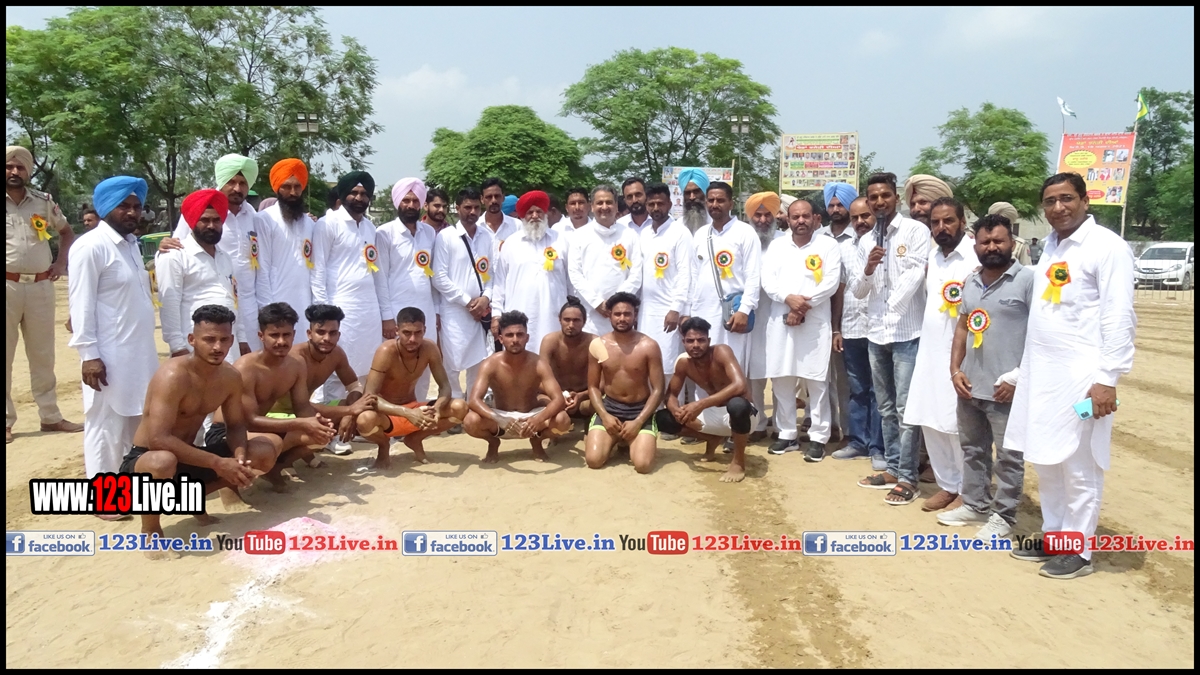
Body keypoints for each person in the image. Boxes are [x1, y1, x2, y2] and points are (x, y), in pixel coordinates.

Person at [1004, 172, 1136, 580]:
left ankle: (1079, 550)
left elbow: (1119, 316)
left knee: (1079, 465)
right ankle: (1055, 535)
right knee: (1047, 459)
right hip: (1043, 377)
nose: (1058, 207)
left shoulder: (1107, 247)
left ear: (1084, 201)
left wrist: (1107, 379)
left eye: (1066, 199)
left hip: (1083, 380)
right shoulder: (1051, 247)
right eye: (1050, 201)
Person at [118, 305, 278, 558]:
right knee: (162, 461)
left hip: (188, 456)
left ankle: (190, 500)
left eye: (223, 340)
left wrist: (238, 460)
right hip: (145, 461)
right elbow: (158, 439)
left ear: (231, 340)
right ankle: (151, 531)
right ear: (192, 340)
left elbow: (236, 425)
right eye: (209, 339)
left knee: (263, 450)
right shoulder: (173, 375)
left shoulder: (230, 377)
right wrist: (218, 463)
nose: (217, 347)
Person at [940, 214, 1034, 539]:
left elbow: (1040, 335)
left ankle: (1004, 516)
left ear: (1012, 243)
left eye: (998, 241)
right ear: (976, 245)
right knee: (973, 449)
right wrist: (955, 370)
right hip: (970, 386)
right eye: (985, 242)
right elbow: (962, 328)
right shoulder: (970, 282)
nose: (992, 247)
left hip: (1006, 388)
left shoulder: (1028, 281)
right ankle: (975, 504)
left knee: (1008, 457)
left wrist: (1017, 377)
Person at [68, 176, 159, 486]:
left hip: (139, 354)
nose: (132, 212)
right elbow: (81, 304)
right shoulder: (90, 246)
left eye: (137, 206)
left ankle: (132, 489)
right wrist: (89, 355)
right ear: (106, 207)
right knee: (105, 428)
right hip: (108, 357)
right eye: (124, 206)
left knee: (137, 424)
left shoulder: (131, 245)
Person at [852, 172, 930, 505]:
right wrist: (869, 268)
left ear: (896, 198)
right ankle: (894, 468)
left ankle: (909, 477)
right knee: (885, 407)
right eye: (873, 197)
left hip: (907, 332)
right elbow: (857, 291)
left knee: (905, 408)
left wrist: (892, 309)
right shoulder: (865, 241)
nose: (879, 202)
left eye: (885, 195)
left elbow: (915, 274)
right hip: (876, 333)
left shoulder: (915, 231)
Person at [904, 197, 979, 511]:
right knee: (930, 419)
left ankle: (968, 489)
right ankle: (947, 485)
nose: (941, 227)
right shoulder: (934, 257)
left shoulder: (974, 256)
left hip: (963, 354)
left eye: (948, 221)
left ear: (962, 222)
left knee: (958, 423)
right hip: (930, 350)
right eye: (935, 222)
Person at [212, 302, 336, 491]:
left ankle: (273, 468)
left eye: (286, 335)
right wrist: (302, 423)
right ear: (261, 336)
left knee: (319, 434)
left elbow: (302, 407)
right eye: (274, 335)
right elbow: (249, 420)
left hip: (260, 428)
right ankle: (227, 488)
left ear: (294, 334)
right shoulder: (246, 368)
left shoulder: (296, 364)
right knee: (270, 446)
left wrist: (318, 425)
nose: (281, 341)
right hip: (227, 431)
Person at [6, 145, 82, 444]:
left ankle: (50, 416)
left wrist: (60, 263)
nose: (14, 172)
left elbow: (66, 232)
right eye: (9, 166)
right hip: (7, 286)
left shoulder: (43, 202)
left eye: (20, 167)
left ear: (28, 171)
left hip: (40, 287)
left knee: (43, 355)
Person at [762, 199, 842, 460]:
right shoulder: (777, 246)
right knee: (782, 378)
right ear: (788, 219)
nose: (800, 221)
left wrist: (802, 307)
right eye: (795, 217)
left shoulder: (827, 245)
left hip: (814, 323)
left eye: (805, 216)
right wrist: (787, 299)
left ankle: (818, 436)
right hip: (781, 321)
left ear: (815, 218)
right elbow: (768, 281)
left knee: (816, 380)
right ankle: (787, 434)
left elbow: (831, 283)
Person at [163, 154, 266, 351]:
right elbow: (178, 245)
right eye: (232, 182)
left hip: (246, 307)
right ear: (221, 181)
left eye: (243, 183)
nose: (237, 188)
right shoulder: (202, 209)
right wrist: (165, 244)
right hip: (205, 305)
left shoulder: (253, 215)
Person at [354, 307, 467, 468]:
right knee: (364, 419)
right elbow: (369, 396)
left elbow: (445, 387)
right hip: (387, 415)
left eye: (418, 333)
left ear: (424, 330)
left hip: (413, 409)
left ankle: (415, 439)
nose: (412, 339)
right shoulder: (386, 351)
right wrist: (407, 413)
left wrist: (437, 408)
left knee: (460, 407)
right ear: (397, 331)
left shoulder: (429, 348)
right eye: (407, 333)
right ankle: (384, 445)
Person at [311, 171, 389, 402]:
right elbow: (318, 270)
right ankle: (335, 421)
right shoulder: (327, 224)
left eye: (364, 194)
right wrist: (322, 313)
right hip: (340, 308)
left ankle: (358, 418)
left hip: (368, 311)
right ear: (343, 194)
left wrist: (386, 315)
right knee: (336, 370)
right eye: (354, 192)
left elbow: (378, 275)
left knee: (366, 369)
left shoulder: (370, 228)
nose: (359, 198)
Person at [655, 317, 755, 482]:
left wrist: (700, 404)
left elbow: (740, 385)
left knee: (737, 404)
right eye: (690, 341)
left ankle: (738, 463)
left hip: (745, 415)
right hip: (715, 413)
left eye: (701, 340)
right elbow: (671, 396)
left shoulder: (721, 351)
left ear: (708, 340)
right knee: (662, 418)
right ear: (683, 342)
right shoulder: (684, 363)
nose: (695, 345)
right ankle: (712, 438)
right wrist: (676, 411)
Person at [464, 310, 571, 462]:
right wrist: (499, 418)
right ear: (501, 339)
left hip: (531, 417)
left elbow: (558, 399)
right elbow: (474, 400)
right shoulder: (490, 364)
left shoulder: (538, 363)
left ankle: (537, 441)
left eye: (520, 335)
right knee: (470, 421)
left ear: (527, 338)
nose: (515, 340)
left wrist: (538, 420)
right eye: (509, 335)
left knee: (563, 420)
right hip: (500, 419)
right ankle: (493, 442)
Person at [158, 189, 247, 363]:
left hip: (228, 345)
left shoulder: (225, 257)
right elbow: (169, 304)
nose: (211, 226)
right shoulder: (175, 255)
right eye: (205, 220)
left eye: (216, 220)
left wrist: (242, 339)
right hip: (193, 346)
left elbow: (235, 299)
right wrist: (177, 347)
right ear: (192, 221)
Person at [830, 197, 886, 468]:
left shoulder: (884, 245)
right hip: (852, 328)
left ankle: (878, 448)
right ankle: (858, 442)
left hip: (880, 329)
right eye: (855, 218)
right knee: (857, 389)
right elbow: (840, 291)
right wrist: (836, 328)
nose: (860, 221)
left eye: (865, 216)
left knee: (879, 391)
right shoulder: (844, 249)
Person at [584, 292, 664, 473]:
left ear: (635, 316)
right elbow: (593, 387)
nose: (622, 318)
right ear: (609, 315)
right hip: (610, 408)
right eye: (617, 314)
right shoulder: (599, 345)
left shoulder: (648, 346)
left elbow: (658, 389)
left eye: (627, 314)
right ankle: (616, 439)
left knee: (643, 465)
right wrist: (604, 415)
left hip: (639, 410)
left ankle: (632, 439)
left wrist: (639, 421)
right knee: (594, 460)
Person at [689, 175, 761, 366]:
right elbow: (693, 277)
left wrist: (744, 310)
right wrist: (689, 311)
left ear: (731, 203)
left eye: (720, 200)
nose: (715, 205)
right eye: (711, 200)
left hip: (733, 314)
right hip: (703, 312)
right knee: (704, 369)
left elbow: (753, 276)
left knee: (732, 368)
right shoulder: (701, 234)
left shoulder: (745, 232)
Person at [376, 178, 438, 400]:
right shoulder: (384, 233)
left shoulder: (429, 233)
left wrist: (436, 311)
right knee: (394, 367)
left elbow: (432, 275)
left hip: (425, 309)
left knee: (423, 363)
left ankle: (418, 411)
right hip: (396, 311)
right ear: (397, 202)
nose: (411, 205)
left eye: (415, 201)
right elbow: (380, 277)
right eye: (406, 200)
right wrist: (387, 317)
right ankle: (391, 417)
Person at [431, 188, 494, 400]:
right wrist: (468, 302)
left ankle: (473, 404)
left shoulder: (486, 236)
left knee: (478, 361)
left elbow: (491, 274)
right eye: (467, 207)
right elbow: (439, 278)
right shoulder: (446, 237)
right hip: (455, 312)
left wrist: (485, 298)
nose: (472, 212)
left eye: (476, 207)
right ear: (457, 208)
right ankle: (455, 405)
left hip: (480, 313)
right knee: (452, 363)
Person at [289, 304, 376, 454]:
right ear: (309, 333)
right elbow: (301, 406)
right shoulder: (295, 358)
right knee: (320, 428)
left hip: (308, 410)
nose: (327, 338)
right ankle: (287, 460)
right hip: (282, 414)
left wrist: (349, 413)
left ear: (339, 335)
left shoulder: (336, 354)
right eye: (321, 332)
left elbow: (355, 386)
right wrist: (349, 411)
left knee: (363, 405)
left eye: (332, 333)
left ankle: (330, 439)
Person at [491, 190, 569, 354]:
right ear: (522, 216)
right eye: (530, 212)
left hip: (553, 315)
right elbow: (499, 283)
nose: (534, 216)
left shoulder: (561, 240)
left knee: (553, 359)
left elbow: (570, 281)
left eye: (539, 211)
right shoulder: (511, 244)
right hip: (519, 316)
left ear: (545, 213)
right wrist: (496, 314)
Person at [567, 184, 643, 336]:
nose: (604, 207)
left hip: (621, 313)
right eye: (599, 203)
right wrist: (597, 303)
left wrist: (616, 302)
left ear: (616, 206)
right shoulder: (579, 235)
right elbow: (575, 274)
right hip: (590, 312)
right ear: (592, 206)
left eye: (609, 202)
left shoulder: (630, 235)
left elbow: (636, 275)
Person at [638, 182, 694, 386]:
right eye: (651, 204)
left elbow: (686, 273)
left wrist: (676, 309)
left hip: (668, 312)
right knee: (647, 364)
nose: (655, 208)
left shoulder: (680, 233)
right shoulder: (644, 233)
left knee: (668, 366)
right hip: (646, 312)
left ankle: (671, 406)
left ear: (670, 204)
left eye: (660, 204)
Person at [817, 182, 860, 442]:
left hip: (850, 318)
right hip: (820, 317)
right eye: (831, 205)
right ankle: (828, 426)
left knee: (847, 380)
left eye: (840, 205)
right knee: (822, 376)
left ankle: (849, 431)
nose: (835, 209)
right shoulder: (818, 237)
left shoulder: (859, 237)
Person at [743, 191, 785, 442]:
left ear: (775, 215)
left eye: (767, 214)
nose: (762, 220)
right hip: (752, 317)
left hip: (779, 314)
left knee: (781, 372)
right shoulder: (745, 240)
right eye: (757, 215)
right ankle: (757, 423)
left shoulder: (784, 242)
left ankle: (781, 425)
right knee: (754, 373)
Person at [258, 158, 315, 335]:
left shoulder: (309, 223)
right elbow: (262, 268)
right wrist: (267, 310)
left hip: (305, 301)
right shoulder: (264, 219)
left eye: (297, 186)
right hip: (276, 299)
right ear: (277, 188)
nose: (292, 192)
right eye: (286, 186)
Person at [539, 297, 597, 419]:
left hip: (584, 398)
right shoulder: (550, 341)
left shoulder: (594, 342)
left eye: (576, 320)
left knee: (600, 403)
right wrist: (560, 396)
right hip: (556, 397)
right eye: (567, 320)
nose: (571, 325)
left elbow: (603, 382)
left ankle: (590, 426)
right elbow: (540, 379)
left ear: (584, 321)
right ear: (559, 320)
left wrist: (581, 396)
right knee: (538, 400)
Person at [481, 178, 519, 253]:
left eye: (497, 196)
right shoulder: (476, 227)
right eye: (489, 197)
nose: (494, 200)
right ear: (482, 199)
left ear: (503, 197)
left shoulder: (517, 226)